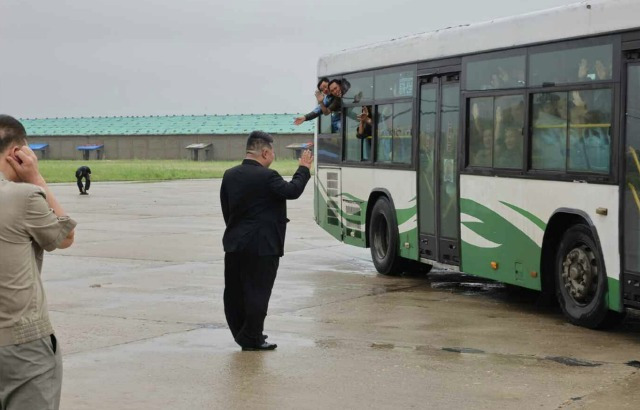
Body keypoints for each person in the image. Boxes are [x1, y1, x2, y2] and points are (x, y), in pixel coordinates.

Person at [0, 115, 76, 410]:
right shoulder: (23, 196)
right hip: (20, 343)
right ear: (17, 153)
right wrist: (36, 179)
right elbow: (64, 236)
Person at [220, 130, 313, 351]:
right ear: (264, 152)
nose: (273, 157)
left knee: (234, 293)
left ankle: (243, 334)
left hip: (235, 244)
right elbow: (292, 191)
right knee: (258, 293)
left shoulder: (229, 174)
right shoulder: (267, 176)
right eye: (272, 152)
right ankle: (251, 337)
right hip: (263, 247)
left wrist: (237, 230)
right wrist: (304, 168)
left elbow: (227, 209)